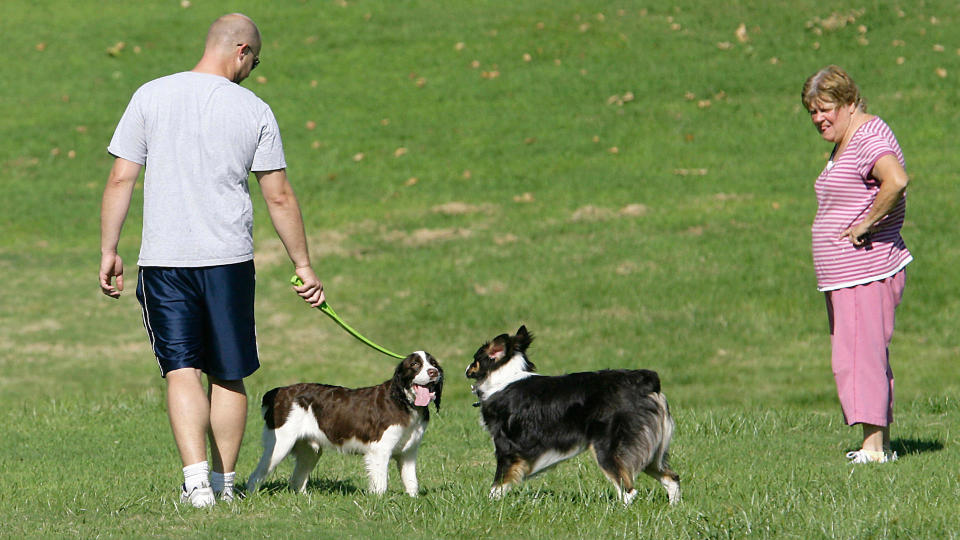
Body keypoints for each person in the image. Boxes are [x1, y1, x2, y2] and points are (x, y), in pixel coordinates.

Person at [99, 13, 325, 507]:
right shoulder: (255, 110)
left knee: (181, 369)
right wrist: (303, 265)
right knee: (228, 372)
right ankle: (225, 485)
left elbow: (121, 179)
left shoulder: (150, 95)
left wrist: (109, 250)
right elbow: (279, 196)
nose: (253, 70)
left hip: (164, 261)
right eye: (256, 61)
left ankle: (197, 485)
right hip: (228, 261)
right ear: (241, 51)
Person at [801, 65, 912, 464]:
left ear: (849, 102)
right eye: (812, 112)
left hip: (867, 269)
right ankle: (876, 443)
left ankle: (874, 449)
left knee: (861, 355)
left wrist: (865, 223)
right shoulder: (851, 137)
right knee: (856, 355)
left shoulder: (868, 135)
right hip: (848, 274)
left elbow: (896, 180)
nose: (818, 119)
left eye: (825, 108)